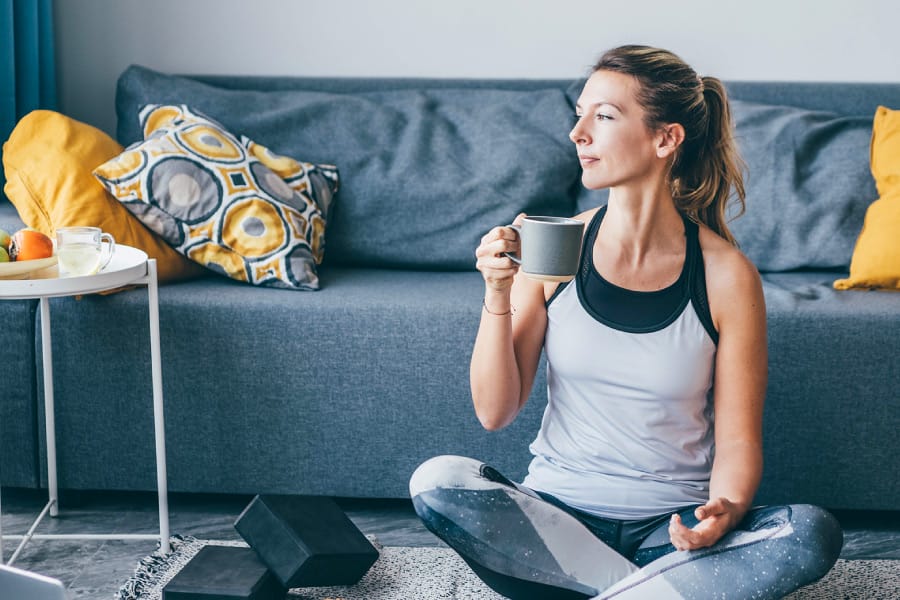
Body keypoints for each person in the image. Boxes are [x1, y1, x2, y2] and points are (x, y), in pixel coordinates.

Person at [409, 45, 843, 599]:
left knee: (810, 533)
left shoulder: (726, 276)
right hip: (557, 522)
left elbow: (737, 443)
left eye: (604, 117)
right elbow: (495, 412)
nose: (578, 134)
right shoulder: (555, 250)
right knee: (439, 481)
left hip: (671, 532)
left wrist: (725, 513)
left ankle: (610, 587)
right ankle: (652, 593)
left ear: (666, 139)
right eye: (579, 115)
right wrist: (497, 293)